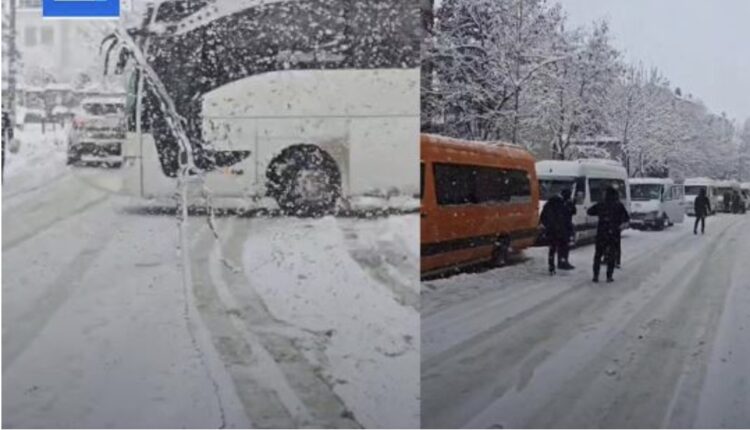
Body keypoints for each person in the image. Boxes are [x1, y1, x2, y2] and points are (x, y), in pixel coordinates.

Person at [587, 186, 630, 283]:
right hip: (613, 233)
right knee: (611, 255)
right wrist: (619, 225)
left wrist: (601, 214)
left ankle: (595, 276)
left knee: (598, 255)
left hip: (601, 232)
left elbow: (589, 211)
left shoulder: (601, 204)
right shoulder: (619, 205)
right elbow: (626, 218)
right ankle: (609, 276)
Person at [539, 191, 573, 275]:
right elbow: (568, 218)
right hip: (561, 230)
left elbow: (543, 217)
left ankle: (551, 266)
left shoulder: (548, 205)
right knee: (563, 247)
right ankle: (562, 261)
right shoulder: (562, 205)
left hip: (551, 231)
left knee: (552, 249)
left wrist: (547, 226)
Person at [559, 188, 577, 269]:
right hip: (565, 227)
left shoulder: (560, 203)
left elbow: (573, 211)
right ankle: (564, 261)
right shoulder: (566, 204)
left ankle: (562, 261)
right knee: (565, 245)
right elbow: (573, 212)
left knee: (562, 245)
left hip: (561, 227)